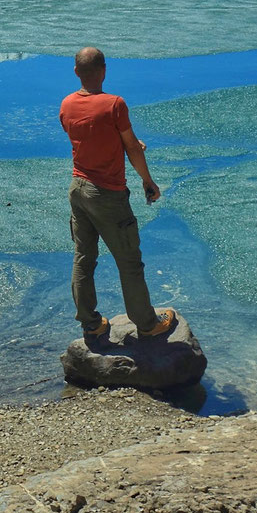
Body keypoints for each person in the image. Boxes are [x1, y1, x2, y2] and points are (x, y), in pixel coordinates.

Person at [59, 46, 175, 343]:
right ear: (104, 71)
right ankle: (148, 324)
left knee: (84, 258)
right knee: (129, 262)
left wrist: (125, 143)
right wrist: (148, 181)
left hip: (78, 189)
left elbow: (90, 137)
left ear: (76, 73)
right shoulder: (115, 105)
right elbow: (131, 148)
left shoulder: (67, 105)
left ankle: (91, 323)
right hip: (107, 194)